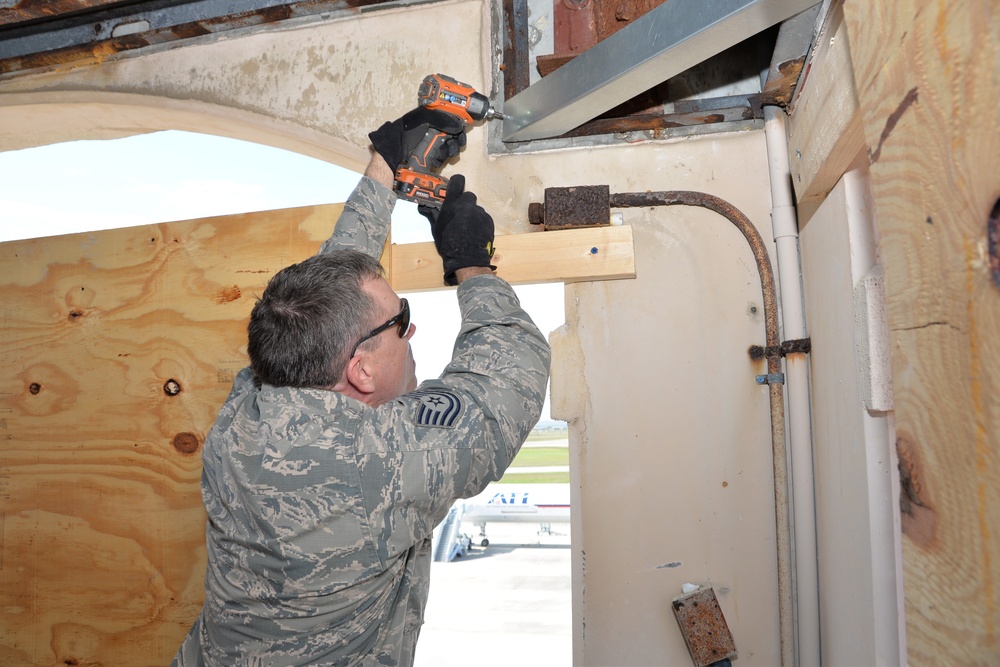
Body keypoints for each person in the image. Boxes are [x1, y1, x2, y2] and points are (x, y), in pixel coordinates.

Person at [172, 109, 551, 667]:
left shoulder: (247, 411)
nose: (413, 329)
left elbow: (324, 304)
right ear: (361, 372)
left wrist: (384, 168)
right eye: (402, 321)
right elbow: (509, 374)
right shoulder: (383, 462)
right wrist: (472, 264)